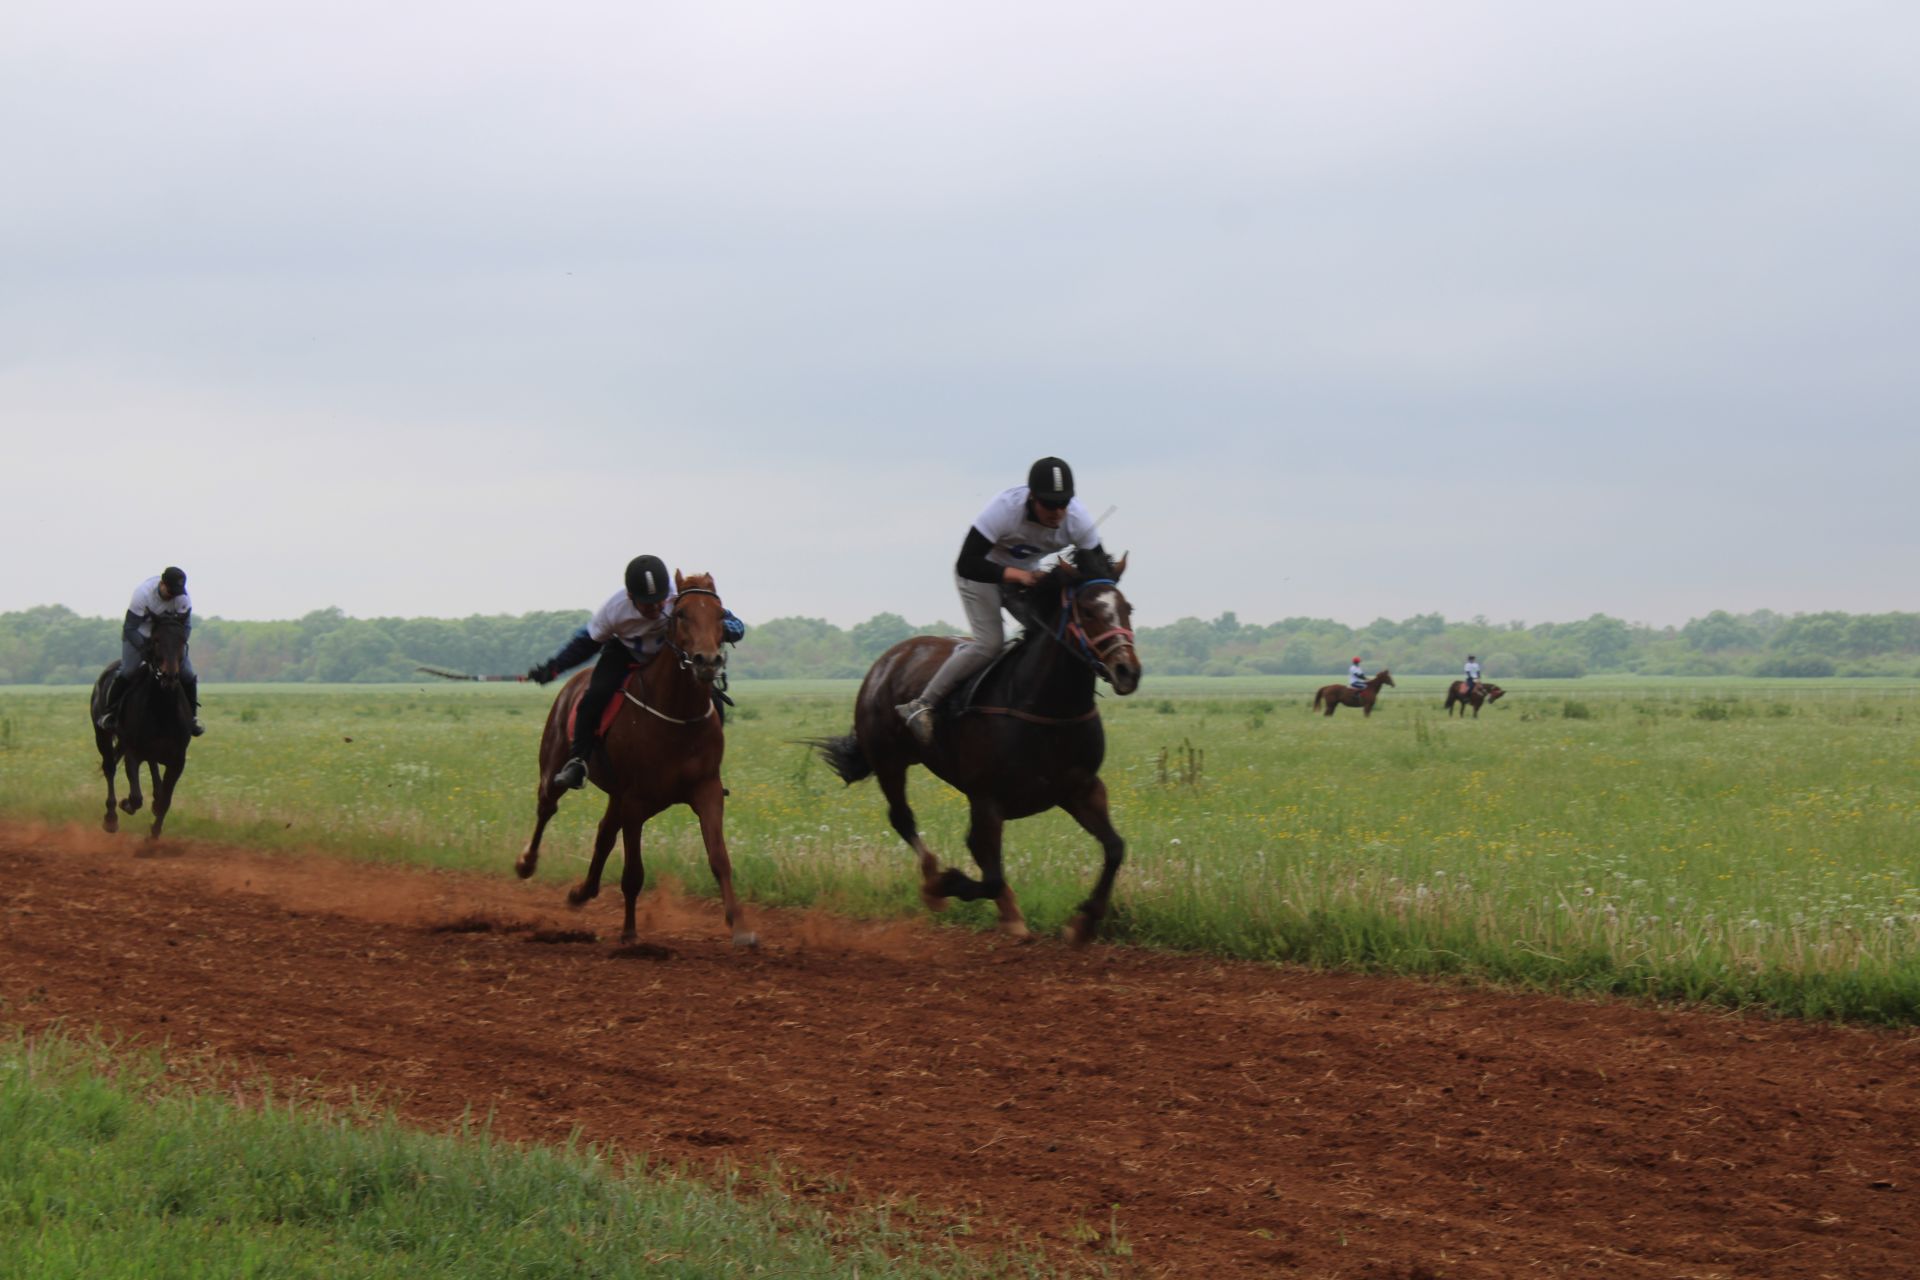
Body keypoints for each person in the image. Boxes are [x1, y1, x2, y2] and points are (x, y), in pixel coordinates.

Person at [894, 457, 1104, 745]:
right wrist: (1016, 575)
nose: (1057, 512)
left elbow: (1098, 569)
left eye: (1063, 503)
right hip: (980, 576)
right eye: (1049, 504)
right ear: (1031, 497)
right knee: (990, 643)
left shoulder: (1078, 519)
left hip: (1025, 576)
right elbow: (967, 563)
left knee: (1053, 635)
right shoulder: (1004, 510)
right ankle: (921, 704)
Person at [524, 555, 744, 791]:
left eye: (660, 601)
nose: (657, 608)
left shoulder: (678, 594)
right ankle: (578, 762)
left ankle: (708, 770)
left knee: (712, 701)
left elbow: (724, 621)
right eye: (647, 604)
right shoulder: (613, 610)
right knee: (594, 696)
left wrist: (723, 631)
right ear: (631, 597)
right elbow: (585, 644)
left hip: (667, 655)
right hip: (625, 652)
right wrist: (554, 667)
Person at [98, 566, 202, 736]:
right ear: (161, 584)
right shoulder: (142, 594)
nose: (173, 595)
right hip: (139, 634)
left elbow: (186, 627)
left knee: (188, 674)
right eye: (170, 590)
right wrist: (143, 648)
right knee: (128, 670)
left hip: (167, 640)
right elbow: (130, 627)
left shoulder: (182, 598)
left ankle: (192, 719)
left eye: (177, 592)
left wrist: (177, 646)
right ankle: (110, 713)